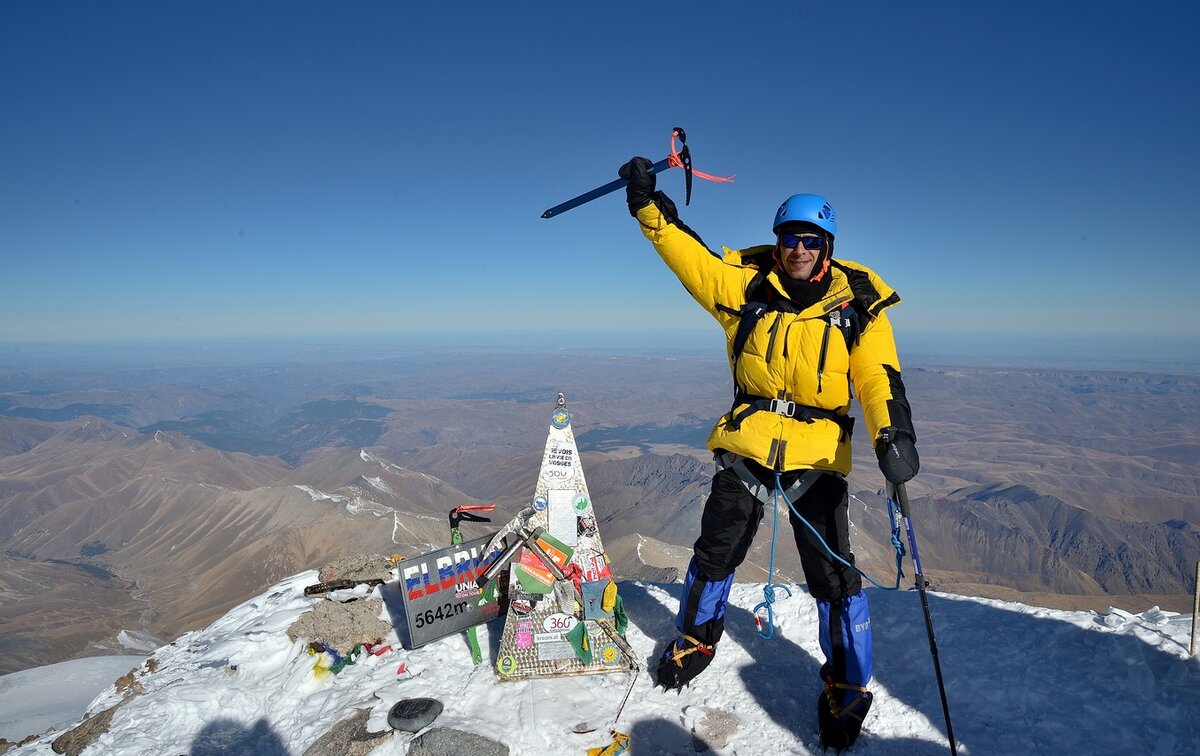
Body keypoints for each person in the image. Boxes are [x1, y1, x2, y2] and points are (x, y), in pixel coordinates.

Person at [617, 157, 919, 751]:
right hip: (750, 440)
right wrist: (646, 206)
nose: (799, 249)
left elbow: (879, 378)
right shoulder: (747, 288)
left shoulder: (858, 304)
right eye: (790, 238)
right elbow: (692, 259)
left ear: (826, 245)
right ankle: (696, 636)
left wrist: (893, 434)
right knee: (716, 548)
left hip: (818, 452)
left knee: (833, 576)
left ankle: (849, 685)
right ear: (779, 242)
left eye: (811, 240)